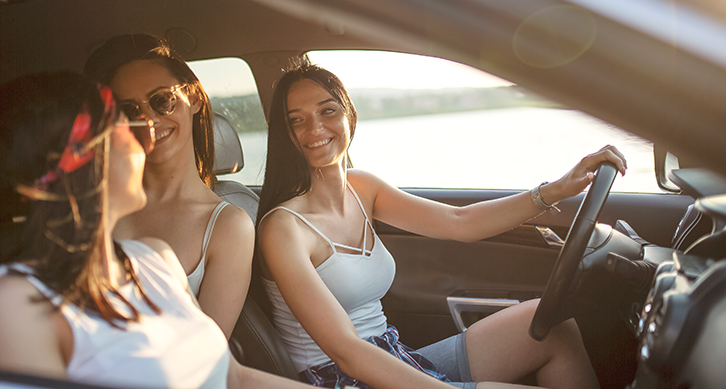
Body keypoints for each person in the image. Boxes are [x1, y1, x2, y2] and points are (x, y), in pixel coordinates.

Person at [256, 60, 628, 389]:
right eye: (297, 120)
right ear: (285, 134)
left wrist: (556, 190)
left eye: (327, 111)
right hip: (341, 376)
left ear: (348, 115)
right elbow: (348, 353)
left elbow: (458, 221)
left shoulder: (361, 186)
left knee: (551, 327)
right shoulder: (283, 229)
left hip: (390, 353)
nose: (315, 128)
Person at [0, 71, 311, 389]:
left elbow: (231, 377)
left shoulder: (154, 258)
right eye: (127, 127)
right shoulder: (14, 304)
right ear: (88, 153)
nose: (145, 145)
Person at [84, 34, 253, 338]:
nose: (149, 119)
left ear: (195, 99)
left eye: (163, 100)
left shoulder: (228, 225)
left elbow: (207, 356)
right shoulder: (92, 205)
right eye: (130, 110)